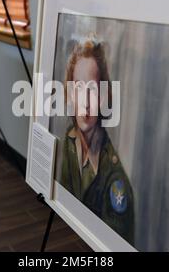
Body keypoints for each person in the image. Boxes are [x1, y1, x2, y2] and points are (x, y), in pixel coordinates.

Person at [59, 36, 134, 245]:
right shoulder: (70, 141)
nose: (85, 101)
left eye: (92, 89)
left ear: (102, 97)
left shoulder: (115, 182)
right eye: (78, 88)